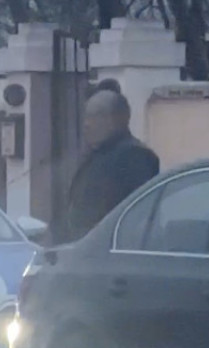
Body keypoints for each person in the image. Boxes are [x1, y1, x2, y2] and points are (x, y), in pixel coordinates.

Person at [56, 88, 159, 244]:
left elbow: (136, 214)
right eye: (86, 116)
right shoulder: (96, 156)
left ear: (116, 120)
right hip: (82, 250)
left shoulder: (135, 157)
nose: (86, 124)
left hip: (109, 251)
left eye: (95, 116)